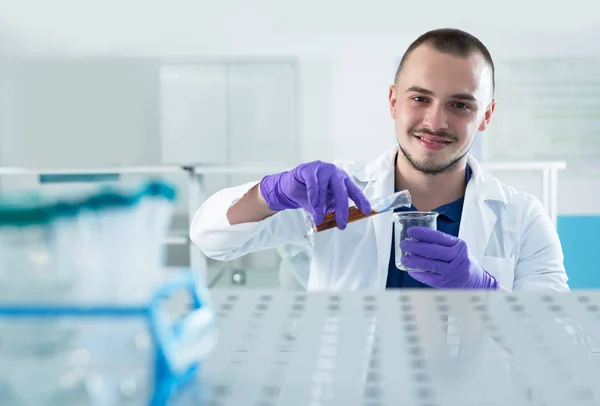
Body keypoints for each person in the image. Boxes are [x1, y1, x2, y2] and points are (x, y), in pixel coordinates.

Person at [190, 28, 569, 292]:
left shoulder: (521, 218)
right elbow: (211, 239)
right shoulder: (333, 196)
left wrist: (482, 289)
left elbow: (558, 343)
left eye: (460, 105)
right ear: (393, 101)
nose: (435, 122)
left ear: (486, 115)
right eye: (420, 98)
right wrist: (268, 195)